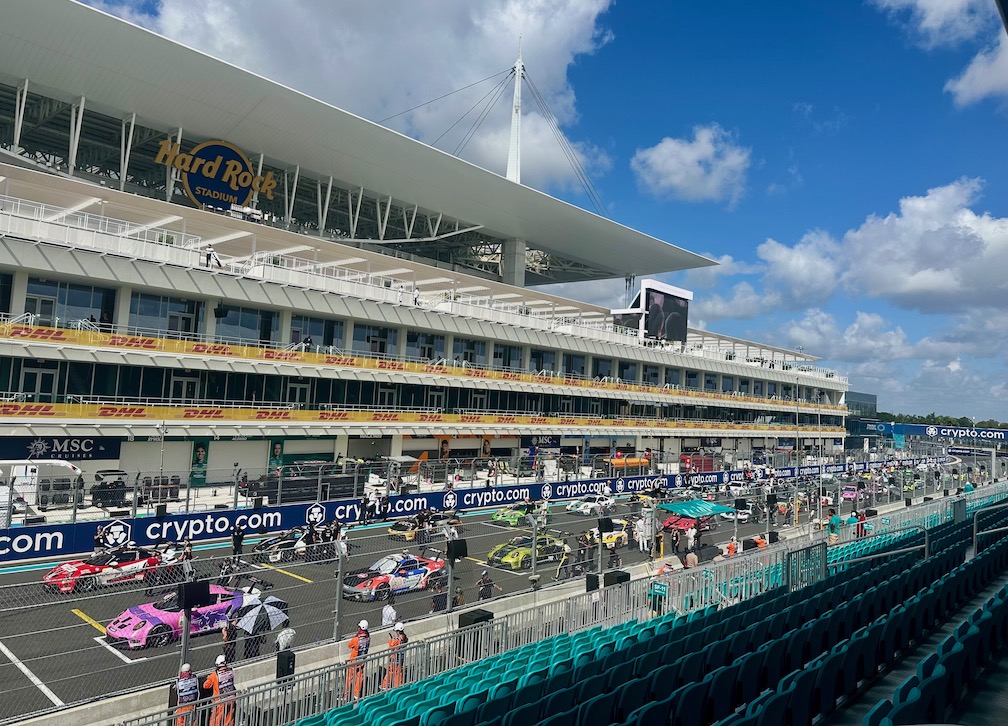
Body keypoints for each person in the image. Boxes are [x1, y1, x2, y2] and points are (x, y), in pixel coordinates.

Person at [203, 654, 236, 726]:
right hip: (231, 698)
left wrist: (209, 678)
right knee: (229, 719)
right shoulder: (231, 671)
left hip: (220, 701)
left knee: (216, 720)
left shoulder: (214, 675)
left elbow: (206, 685)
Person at [345, 620, 370, 699]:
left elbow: (349, 645)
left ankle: (346, 694)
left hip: (354, 660)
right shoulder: (368, 637)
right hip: (362, 660)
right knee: (359, 677)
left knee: (349, 677)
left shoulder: (356, 639)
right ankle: (356, 694)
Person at [382, 622, 408, 689]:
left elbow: (392, 647)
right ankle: (398, 687)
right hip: (400, 659)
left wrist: (391, 640)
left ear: (398, 631)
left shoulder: (397, 640)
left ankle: (384, 686)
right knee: (398, 674)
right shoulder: (405, 638)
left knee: (390, 673)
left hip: (394, 659)